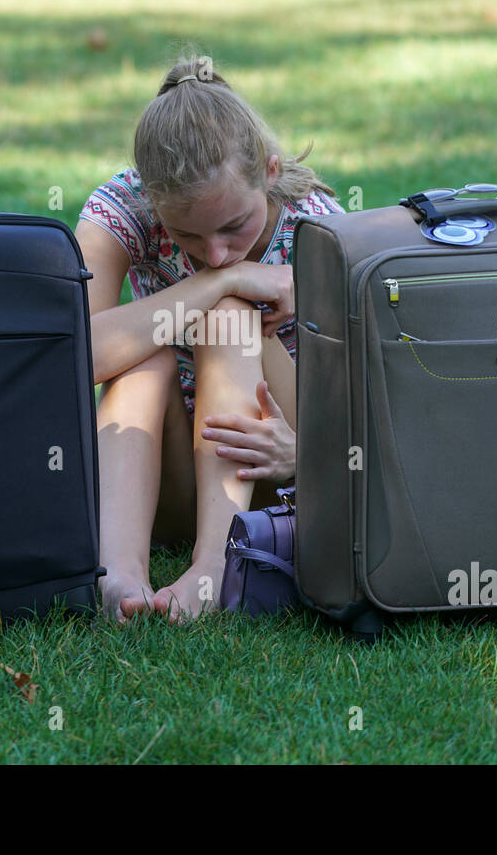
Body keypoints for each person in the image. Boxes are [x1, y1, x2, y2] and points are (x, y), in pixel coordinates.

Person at [75, 52, 343, 624]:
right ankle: (117, 574)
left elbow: (371, 400)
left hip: (283, 475)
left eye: (234, 227)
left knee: (227, 315)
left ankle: (214, 569)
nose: (216, 251)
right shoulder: (121, 208)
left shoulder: (319, 225)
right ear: (149, 196)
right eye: (186, 235)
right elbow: (69, 355)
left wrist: (306, 454)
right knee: (146, 347)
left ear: (269, 172)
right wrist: (230, 279)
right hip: (165, 480)